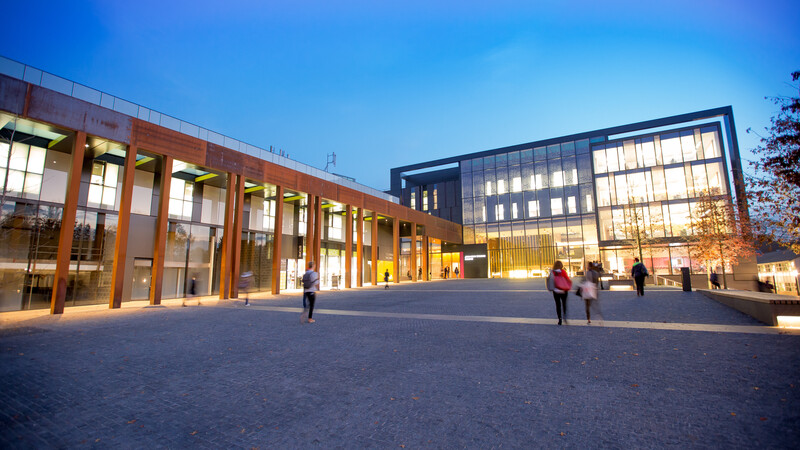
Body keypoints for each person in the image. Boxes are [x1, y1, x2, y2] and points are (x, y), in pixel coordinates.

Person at [546, 261, 572, 325]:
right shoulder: (563, 271)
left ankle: (559, 319)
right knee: (564, 304)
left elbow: (550, 280)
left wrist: (550, 288)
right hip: (563, 290)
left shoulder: (552, 272)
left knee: (558, 305)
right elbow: (567, 279)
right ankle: (565, 317)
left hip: (556, 291)